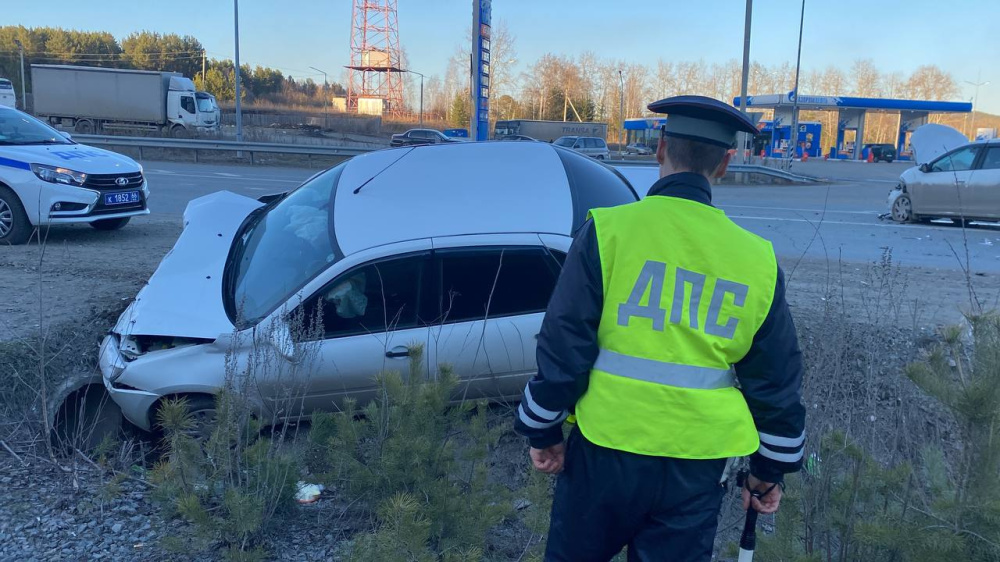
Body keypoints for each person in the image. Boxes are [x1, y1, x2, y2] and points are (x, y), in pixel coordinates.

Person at [514, 95, 806, 562]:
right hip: (695, 471)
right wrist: (769, 470)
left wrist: (543, 430)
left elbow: (564, 343)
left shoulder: (608, 232)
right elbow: (776, 379)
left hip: (604, 455)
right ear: (726, 164)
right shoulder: (757, 260)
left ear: (659, 149)